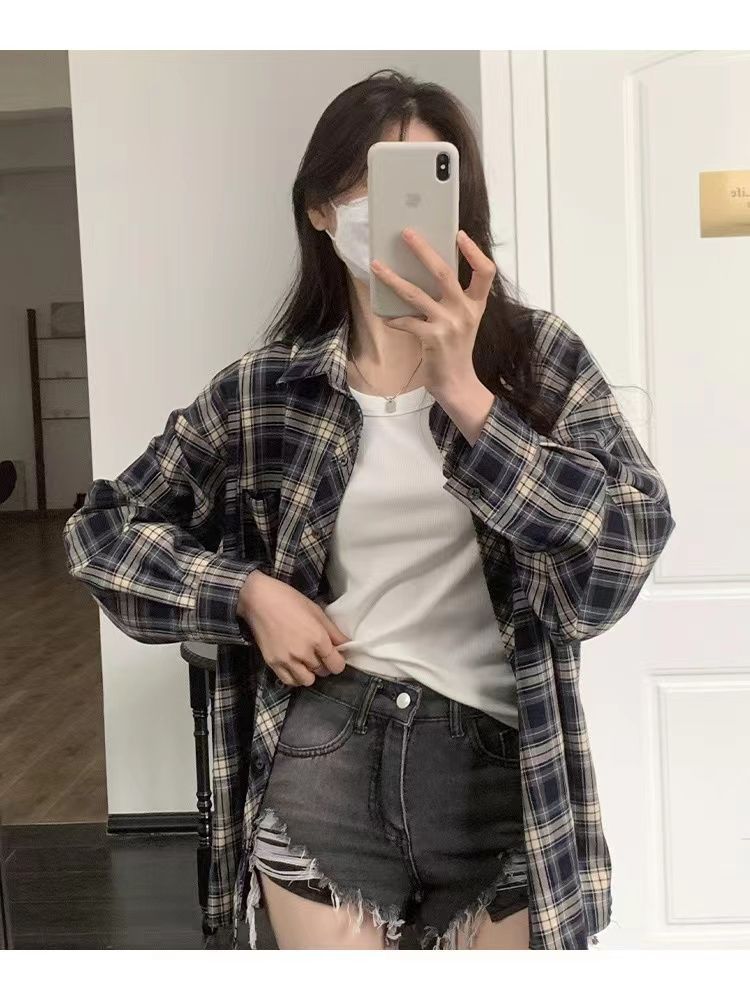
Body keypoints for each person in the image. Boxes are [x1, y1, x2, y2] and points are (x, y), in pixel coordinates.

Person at [63, 69, 676, 950]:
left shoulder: (538, 362)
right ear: (319, 208)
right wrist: (244, 593)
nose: (389, 210)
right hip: (325, 757)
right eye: (366, 183)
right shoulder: (265, 390)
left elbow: (624, 547)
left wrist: (468, 398)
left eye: (421, 179)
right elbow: (102, 531)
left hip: (502, 767)